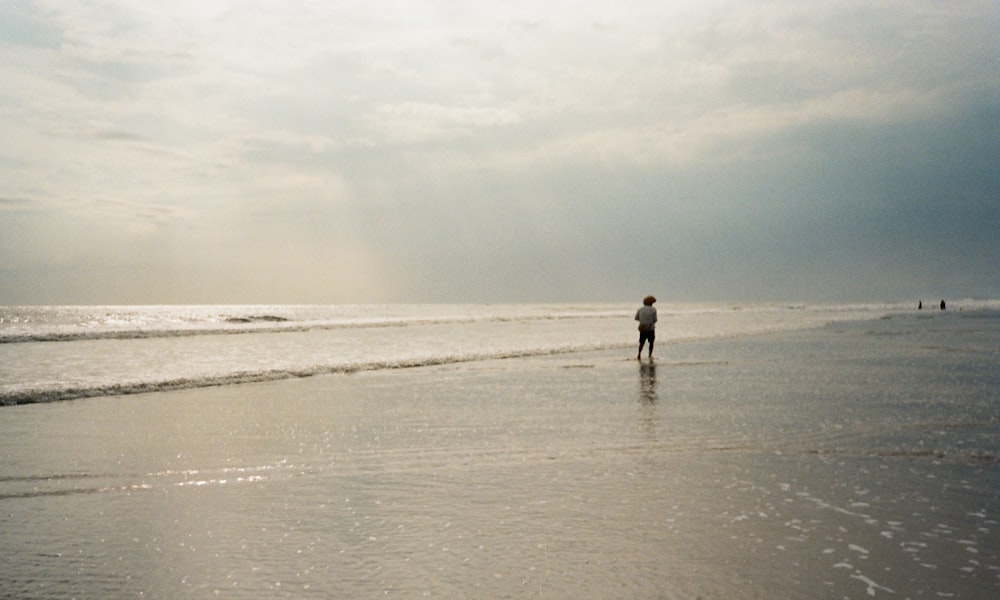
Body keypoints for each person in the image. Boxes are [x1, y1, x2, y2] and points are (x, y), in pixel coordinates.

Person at [635, 295, 658, 360]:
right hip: (650, 328)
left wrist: (643, 321)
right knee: (651, 342)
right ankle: (650, 355)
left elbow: (636, 318)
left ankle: (639, 354)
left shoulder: (640, 309)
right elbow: (655, 319)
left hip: (642, 328)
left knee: (641, 342)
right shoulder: (653, 309)